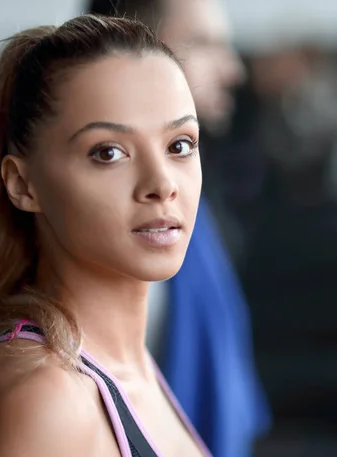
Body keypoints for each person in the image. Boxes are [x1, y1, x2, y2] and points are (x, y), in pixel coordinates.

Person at [0, 15, 209, 457]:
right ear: (22, 184)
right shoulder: (45, 397)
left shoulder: (131, 365)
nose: (162, 183)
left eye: (179, 145)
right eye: (108, 152)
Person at [86, 2, 271, 457]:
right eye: (208, 45)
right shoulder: (132, 233)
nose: (234, 71)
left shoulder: (183, 204)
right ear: (139, 50)